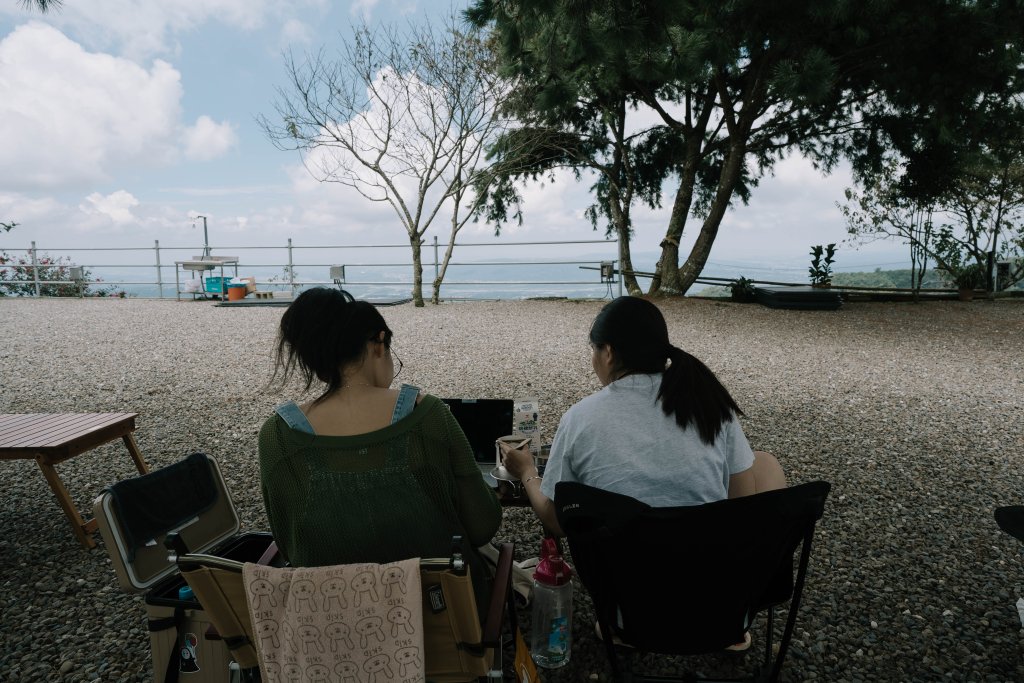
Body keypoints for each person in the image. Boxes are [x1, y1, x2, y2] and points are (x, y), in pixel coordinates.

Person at [258, 288, 502, 596]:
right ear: (379, 343)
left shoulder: (277, 436)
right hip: (443, 622)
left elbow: (290, 544)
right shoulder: (428, 416)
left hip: (332, 627)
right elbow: (482, 527)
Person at [501, 295, 786, 538]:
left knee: (762, 463)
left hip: (624, 588)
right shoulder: (709, 405)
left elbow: (556, 520)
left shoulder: (581, 417)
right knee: (763, 463)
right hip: (711, 579)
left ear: (609, 353)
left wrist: (527, 472)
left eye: (594, 350)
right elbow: (742, 507)